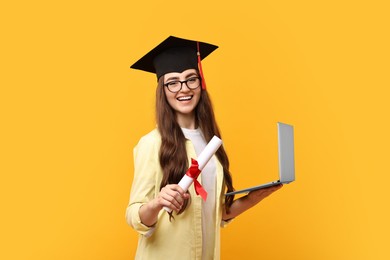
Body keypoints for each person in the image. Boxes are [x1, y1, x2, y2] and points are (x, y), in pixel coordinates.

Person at [126, 36, 282, 260]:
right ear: (163, 90)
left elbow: (215, 213)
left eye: (191, 79)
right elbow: (134, 216)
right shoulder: (152, 143)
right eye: (173, 82)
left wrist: (255, 197)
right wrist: (158, 202)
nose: (184, 88)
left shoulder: (213, 143)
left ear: (201, 83)